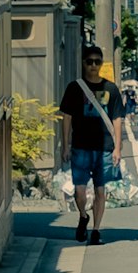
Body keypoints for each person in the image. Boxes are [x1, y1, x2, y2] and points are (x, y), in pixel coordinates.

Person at [57, 55, 119, 245]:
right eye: (89, 61)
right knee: (80, 191)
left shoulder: (111, 88)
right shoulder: (74, 88)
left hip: (105, 148)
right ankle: (83, 216)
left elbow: (117, 118)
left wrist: (118, 147)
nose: (93, 65)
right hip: (81, 146)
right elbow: (66, 117)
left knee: (101, 190)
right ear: (83, 63)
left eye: (97, 61)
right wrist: (65, 145)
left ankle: (96, 230)